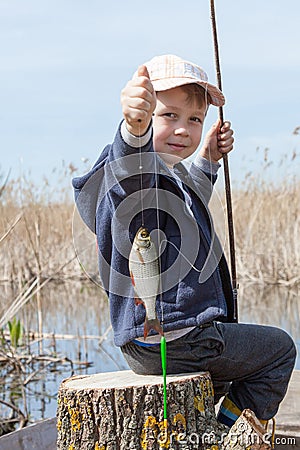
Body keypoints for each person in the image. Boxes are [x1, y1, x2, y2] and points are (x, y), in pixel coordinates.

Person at [72, 55, 296, 430]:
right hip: (179, 339)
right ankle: (224, 432)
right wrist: (133, 130)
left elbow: (187, 209)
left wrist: (208, 158)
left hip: (150, 341)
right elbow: (130, 169)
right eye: (168, 116)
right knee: (279, 351)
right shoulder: (138, 175)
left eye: (194, 119)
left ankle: (209, 421)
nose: (183, 130)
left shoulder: (168, 177)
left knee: (223, 376)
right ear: (144, 118)